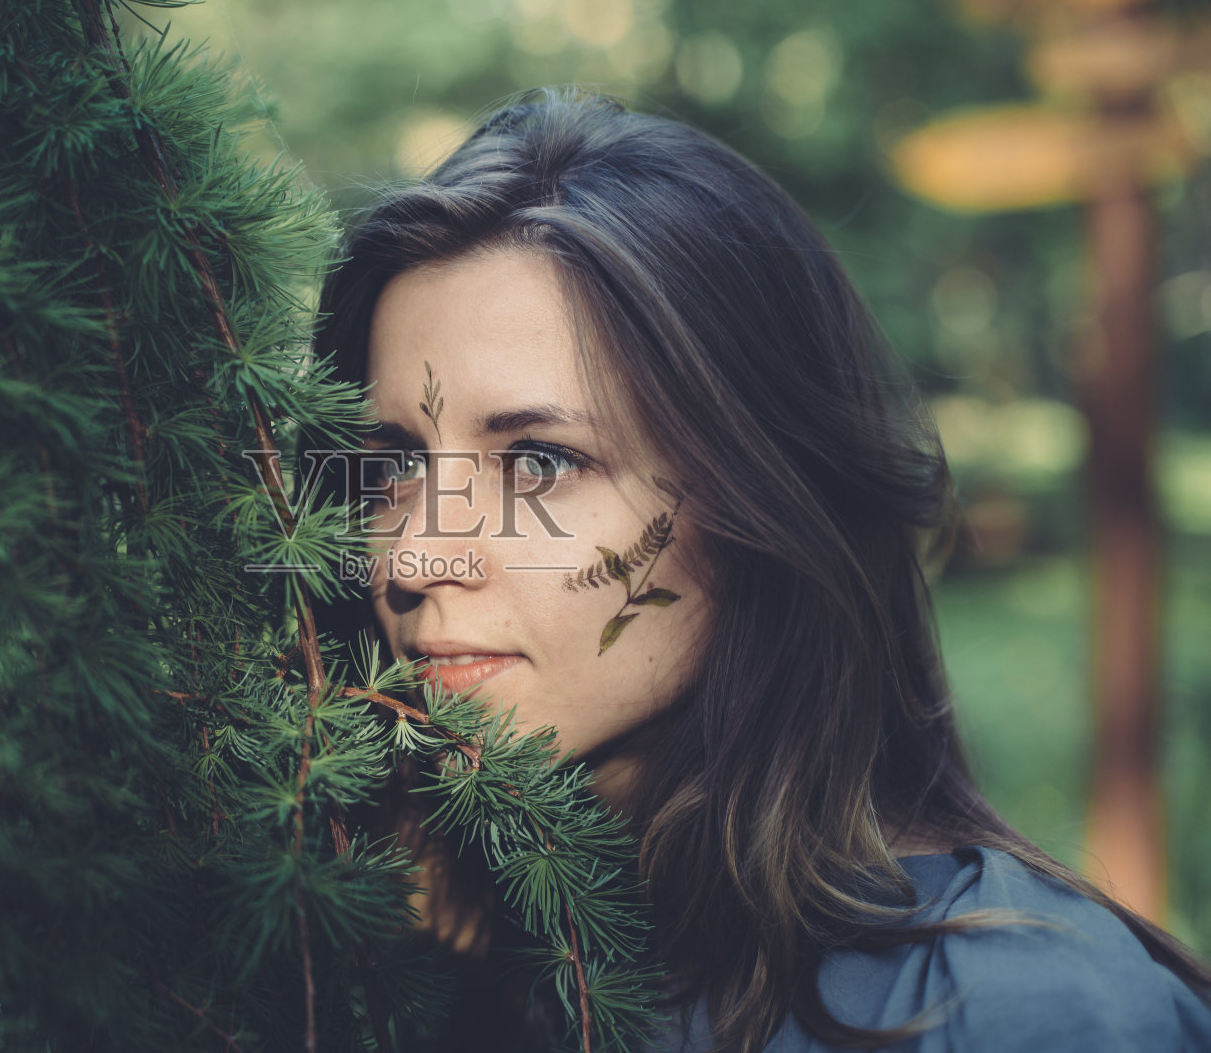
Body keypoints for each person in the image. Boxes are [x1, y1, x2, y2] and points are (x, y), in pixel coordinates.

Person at [310, 89, 1211, 1052]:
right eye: (396, 465)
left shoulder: (1018, 1013)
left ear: (758, 501)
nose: (413, 553)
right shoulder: (405, 971)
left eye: (540, 461)